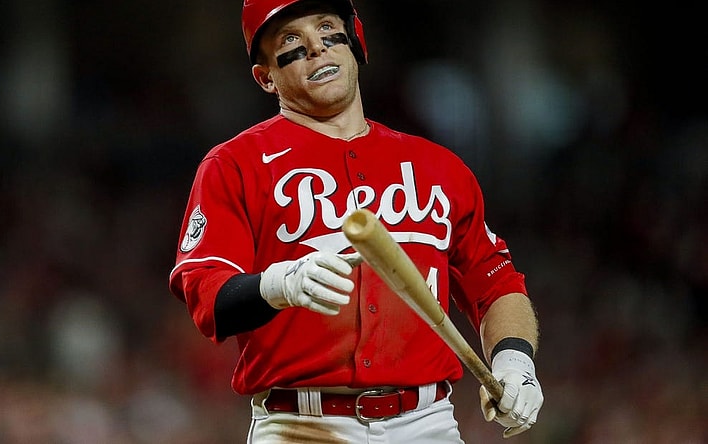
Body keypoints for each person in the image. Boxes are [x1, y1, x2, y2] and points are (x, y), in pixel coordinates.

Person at [168, 0, 544, 442]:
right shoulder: (235, 165)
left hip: (428, 424)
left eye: (327, 29)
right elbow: (206, 292)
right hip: (299, 425)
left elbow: (495, 283)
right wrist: (275, 285)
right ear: (265, 76)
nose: (316, 48)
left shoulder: (438, 167)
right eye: (291, 41)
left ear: (355, 43)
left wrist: (515, 361)